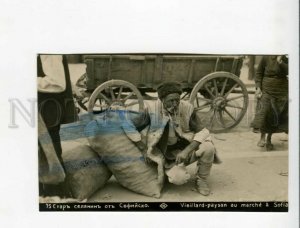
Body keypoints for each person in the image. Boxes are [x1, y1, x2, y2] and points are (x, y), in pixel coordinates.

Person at [130, 82, 221, 196]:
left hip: (184, 150)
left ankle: (201, 180)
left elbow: (203, 131)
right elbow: (130, 128)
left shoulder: (187, 107)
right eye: (171, 101)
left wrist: (186, 151)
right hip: (165, 154)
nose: (175, 104)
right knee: (179, 179)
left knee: (208, 147)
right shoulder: (151, 109)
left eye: (177, 100)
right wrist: (143, 149)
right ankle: (167, 171)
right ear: (162, 99)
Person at [38, 54, 78, 197]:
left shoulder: (48, 51)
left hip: (48, 107)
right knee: (46, 151)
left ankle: (56, 195)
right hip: (46, 107)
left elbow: (57, 82)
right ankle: (50, 193)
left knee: (50, 152)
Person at [251, 55, 288, 151]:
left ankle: (269, 139)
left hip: (281, 89)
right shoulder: (265, 57)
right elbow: (259, 73)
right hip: (267, 87)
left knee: (275, 115)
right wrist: (258, 88)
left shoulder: (285, 57)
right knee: (265, 111)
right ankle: (262, 137)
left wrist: (281, 62)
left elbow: (290, 71)